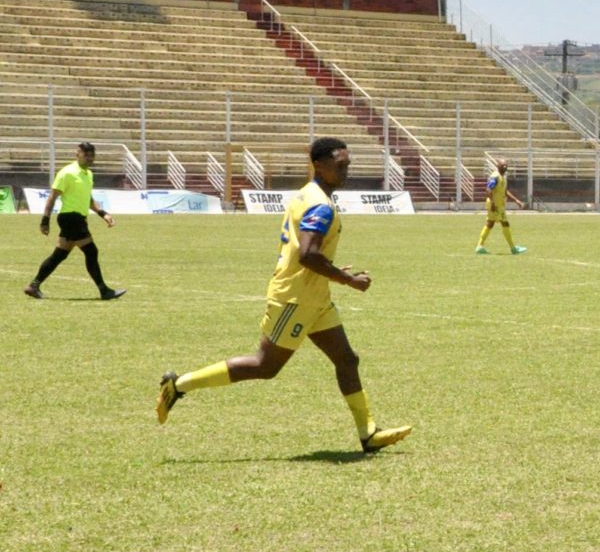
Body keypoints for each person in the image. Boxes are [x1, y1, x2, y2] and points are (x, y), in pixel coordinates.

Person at [155, 137, 411, 453]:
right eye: (339, 164)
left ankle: (368, 433)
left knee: (347, 358)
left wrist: (330, 270)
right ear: (319, 164)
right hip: (295, 298)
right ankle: (179, 385)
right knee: (266, 366)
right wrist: (348, 280)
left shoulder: (308, 194)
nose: (345, 169)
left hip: (314, 295)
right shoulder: (319, 203)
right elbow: (307, 255)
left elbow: (308, 254)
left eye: (348, 164)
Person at [24, 141, 123, 301]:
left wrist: (103, 213)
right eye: (86, 155)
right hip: (70, 218)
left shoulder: (88, 174)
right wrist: (45, 220)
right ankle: (104, 291)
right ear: (77, 154)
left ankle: (33, 286)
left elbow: (88, 199)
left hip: (78, 219)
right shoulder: (67, 173)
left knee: (59, 255)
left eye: (92, 156)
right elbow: (52, 197)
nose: (90, 158)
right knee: (91, 251)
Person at [474, 158, 525, 254]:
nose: (505, 167)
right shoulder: (495, 176)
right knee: (505, 223)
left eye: (506, 165)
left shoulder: (503, 178)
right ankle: (513, 248)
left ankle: (479, 246)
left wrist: (516, 200)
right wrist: (493, 203)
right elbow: (488, 190)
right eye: (503, 165)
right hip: (495, 205)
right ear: (498, 166)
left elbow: (505, 191)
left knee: (490, 224)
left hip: (498, 205)